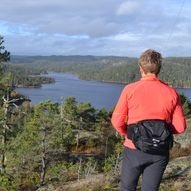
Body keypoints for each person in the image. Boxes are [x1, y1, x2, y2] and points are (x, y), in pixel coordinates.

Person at [111, 49, 186, 191]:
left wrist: (128, 134)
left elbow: (117, 121)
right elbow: (181, 127)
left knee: (127, 188)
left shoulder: (130, 89)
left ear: (140, 68)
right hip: (160, 151)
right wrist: (160, 133)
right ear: (159, 69)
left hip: (133, 149)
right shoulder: (172, 92)